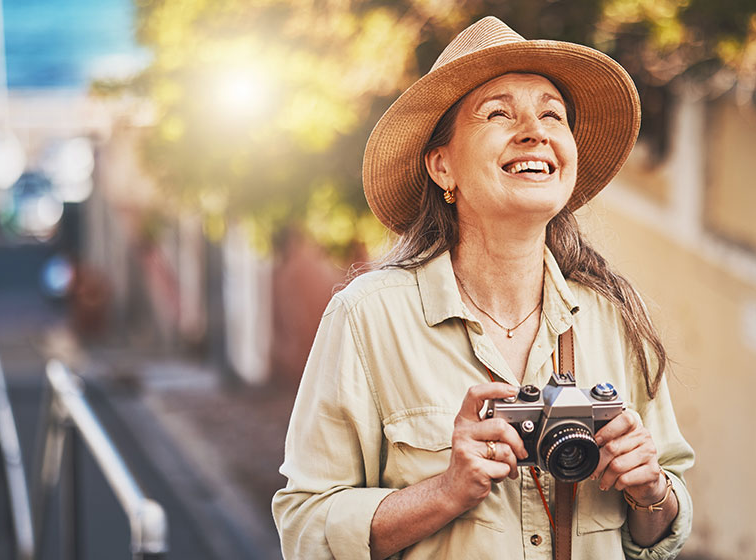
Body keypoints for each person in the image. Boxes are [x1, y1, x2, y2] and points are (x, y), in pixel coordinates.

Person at [272, 16, 693, 560]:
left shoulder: (613, 317)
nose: (534, 131)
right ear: (442, 166)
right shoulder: (367, 318)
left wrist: (651, 492)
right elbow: (304, 529)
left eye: (551, 114)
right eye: (498, 113)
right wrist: (445, 492)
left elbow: (664, 526)